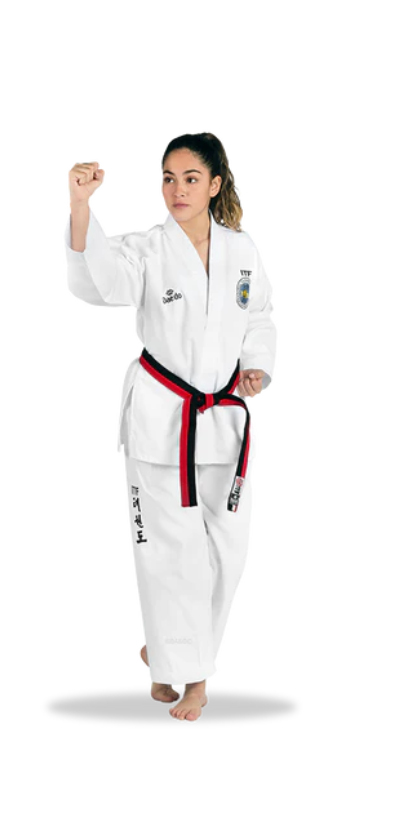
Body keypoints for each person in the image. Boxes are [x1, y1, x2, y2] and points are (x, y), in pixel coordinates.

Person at [63, 132, 278, 722]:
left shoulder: (242, 250)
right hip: (162, 422)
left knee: (227, 554)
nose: (177, 189)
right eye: (167, 178)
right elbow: (99, 280)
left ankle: (167, 653)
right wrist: (81, 207)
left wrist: (256, 365)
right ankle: (192, 680)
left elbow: (259, 314)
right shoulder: (149, 250)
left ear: (214, 185)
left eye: (190, 178)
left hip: (221, 420)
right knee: (170, 556)